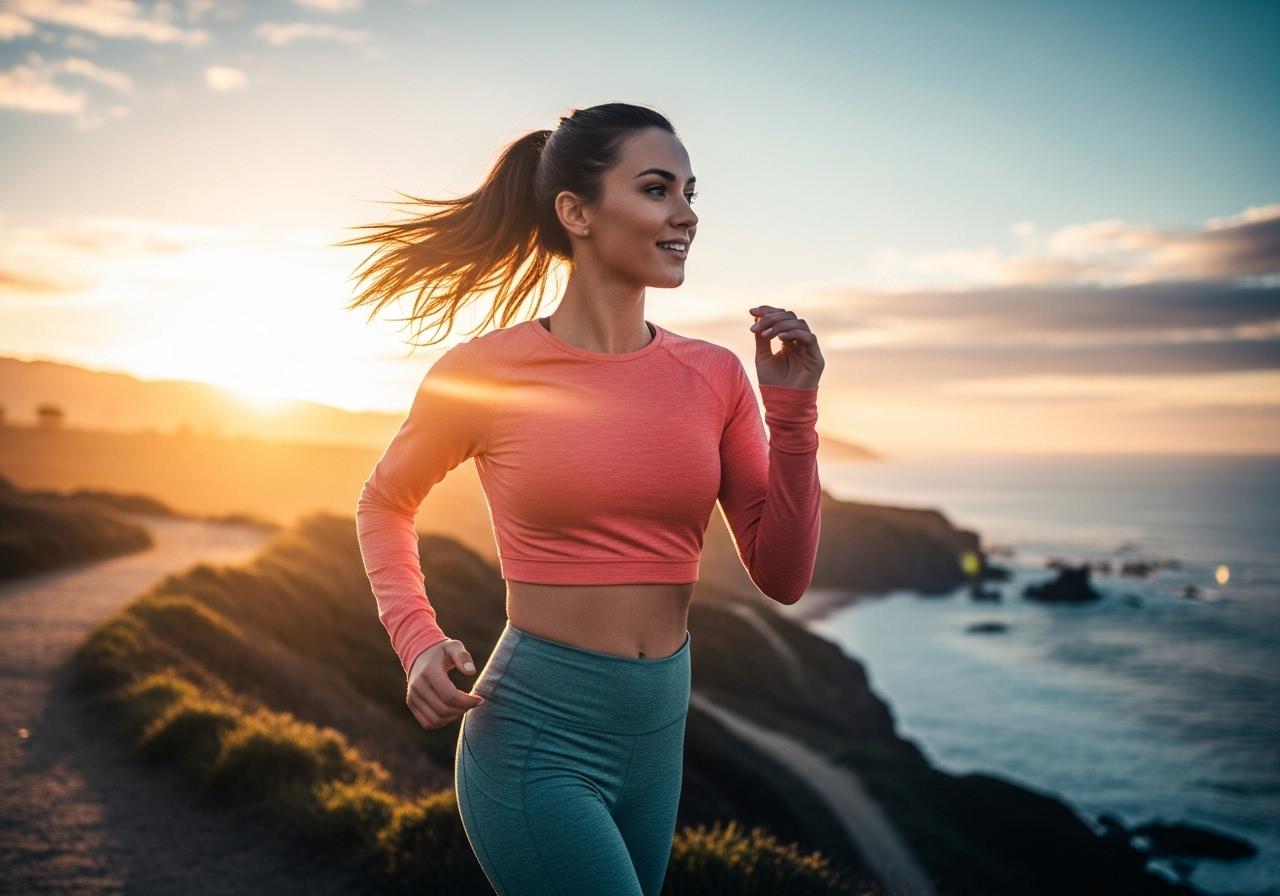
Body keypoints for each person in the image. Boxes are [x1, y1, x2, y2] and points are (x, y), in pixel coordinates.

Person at [348, 102, 824, 896]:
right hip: (536, 736)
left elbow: (783, 576)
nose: (687, 215)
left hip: (657, 733)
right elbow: (384, 502)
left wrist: (794, 412)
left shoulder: (714, 375)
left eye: (690, 191)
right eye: (656, 189)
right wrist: (416, 637)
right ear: (576, 212)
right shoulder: (487, 371)